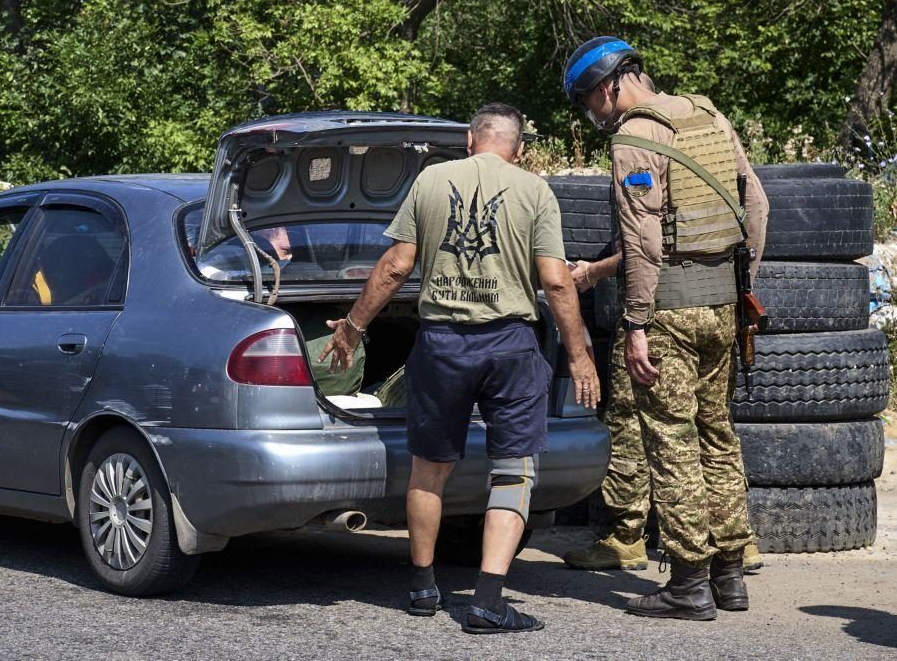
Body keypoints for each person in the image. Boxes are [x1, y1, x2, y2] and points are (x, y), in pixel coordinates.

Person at [319, 103, 600, 634]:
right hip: (510, 345)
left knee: (429, 469)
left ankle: (423, 588)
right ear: (517, 148)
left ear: (470, 142)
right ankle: (488, 600)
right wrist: (580, 354)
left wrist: (352, 328)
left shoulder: (430, 181)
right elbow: (558, 282)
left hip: (442, 343)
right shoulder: (535, 190)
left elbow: (396, 266)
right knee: (513, 470)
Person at [562, 36, 769, 620]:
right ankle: (730, 578)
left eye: (587, 102)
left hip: (670, 314)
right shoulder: (707, 114)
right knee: (718, 438)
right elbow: (756, 205)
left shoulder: (633, 139)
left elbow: (642, 242)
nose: (591, 114)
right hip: (724, 308)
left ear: (609, 87)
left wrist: (634, 323)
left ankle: (687, 583)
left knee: (672, 442)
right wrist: (740, 280)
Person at [563, 247, 764, 574]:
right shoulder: (735, 191)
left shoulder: (648, 191)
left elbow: (646, 249)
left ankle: (628, 537)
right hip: (722, 309)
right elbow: (757, 217)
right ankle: (734, 544)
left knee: (634, 425)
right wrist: (740, 286)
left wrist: (594, 272)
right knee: (714, 431)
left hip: (661, 312)